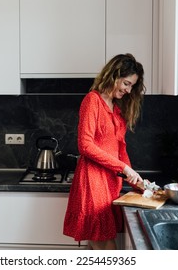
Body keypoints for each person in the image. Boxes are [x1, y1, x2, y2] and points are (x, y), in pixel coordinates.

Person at [63, 53, 145, 250]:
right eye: (126, 83)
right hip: (92, 181)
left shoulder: (116, 109)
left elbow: (120, 149)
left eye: (132, 86)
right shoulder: (92, 101)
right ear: (114, 75)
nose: (128, 90)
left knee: (100, 245)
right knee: (107, 247)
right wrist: (124, 168)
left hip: (109, 183)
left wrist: (135, 179)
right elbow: (85, 145)